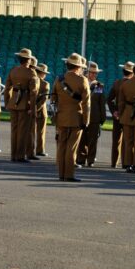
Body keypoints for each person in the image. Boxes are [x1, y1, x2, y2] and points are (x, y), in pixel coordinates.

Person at [52, 53, 90, 182]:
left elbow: (53, 99)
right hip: (76, 118)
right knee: (71, 147)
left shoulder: (59, 79)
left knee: (62, 145)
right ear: (78, 67)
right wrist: (86, 120)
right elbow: (86, 103)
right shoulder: (82, 80)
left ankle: (61, 174)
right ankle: (69, 175)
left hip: (61, 116)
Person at [4, 48, 39, 163]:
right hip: (25, 104)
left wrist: (8, 101)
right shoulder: (31, 73)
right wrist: (33, 109)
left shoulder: (13, 70)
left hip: (13, 103)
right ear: (28, 60)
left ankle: (13, 155)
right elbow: (33, 93)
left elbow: (7, 88)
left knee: (14, 130)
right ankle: (20, 155)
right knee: (22, 131)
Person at [77, 61, 106, 167]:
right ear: (86, 72)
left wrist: (102, 118)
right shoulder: (81, 83)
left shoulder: (99, 86)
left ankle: (90, 160)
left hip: (94, 117)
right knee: (82, 139)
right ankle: (80, 158)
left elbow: (101, 103)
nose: (94, 74)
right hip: (83, 115)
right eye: (92, 72)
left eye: (95, 73)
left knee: (93, 140)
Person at [107, 62, 133, 168]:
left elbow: (109, 99)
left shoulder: (117, 83)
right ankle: (125, 163)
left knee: (116, 140)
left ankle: (114, 162)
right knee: (127, 140)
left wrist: (114, 111)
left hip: (117, 114)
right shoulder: (133, 84)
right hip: (129, 115)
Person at [34, 63, 51, 158]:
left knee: (30, 131)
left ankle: (29, 149)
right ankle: (40, 150)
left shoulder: (31, 81)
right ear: (43, 73)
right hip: (41, 111)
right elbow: (43, 100)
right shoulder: (45, 84)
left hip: (30, 109)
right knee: (41, 132)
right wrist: (36, 109)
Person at [27, 56, 40, 160]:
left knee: (20, 131)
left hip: (20, 105)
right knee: (31, 131)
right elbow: (33, 94)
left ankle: (18, 153)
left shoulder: (18, 71)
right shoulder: (33, 75)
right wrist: (33, 108)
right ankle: (30, 153)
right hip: (30, 106)